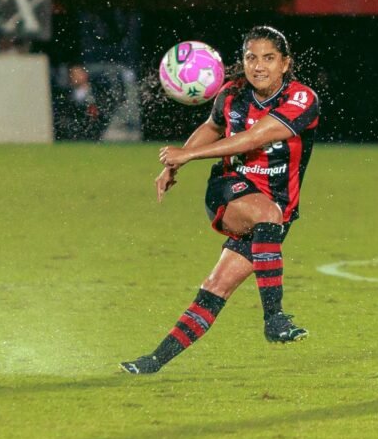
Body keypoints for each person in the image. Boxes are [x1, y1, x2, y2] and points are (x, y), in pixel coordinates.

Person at [120, 26, 320, 374]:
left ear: (286, 63)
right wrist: (175, 164)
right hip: (229, 191)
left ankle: (152, 361)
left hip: (275, 212)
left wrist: (185, 156)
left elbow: (252, 138)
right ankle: (274, 319)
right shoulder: (231, 94)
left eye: (269, 58)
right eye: (250, 58)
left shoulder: (301, 100)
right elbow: (213, 126)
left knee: (217, 287)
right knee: (266, 215)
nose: (258, 66)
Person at [53, 64, 115, 141]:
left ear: (85, 75)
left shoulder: (97, 93)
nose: (73, 77)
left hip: (95, 135)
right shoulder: (65, 95)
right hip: (72, 136)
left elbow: (104, 113)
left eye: (76, 74)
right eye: (71, 75)